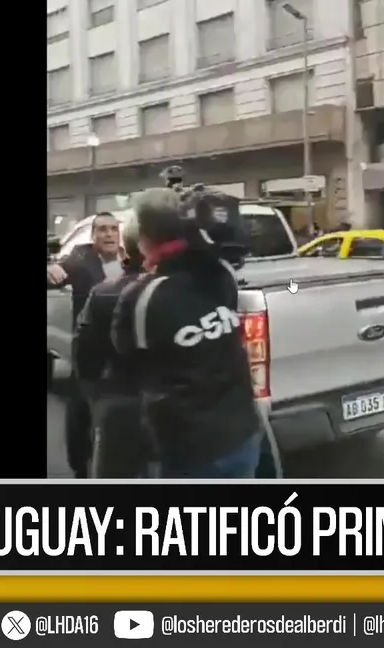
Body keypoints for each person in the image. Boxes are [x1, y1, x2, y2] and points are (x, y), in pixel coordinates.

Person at [112, 188, 262, 478]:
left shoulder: (142, 297)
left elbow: (126, 361)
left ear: (143, 238)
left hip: (187, 449)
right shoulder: (221, 273)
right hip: (243, 433)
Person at [47, 212, 123, 479]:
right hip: (90, 349)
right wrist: (49, 267)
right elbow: (56, 273)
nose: (109, 234)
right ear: (93, 236)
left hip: (124, 351)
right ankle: (80, 468)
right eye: (102, 229)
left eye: (113, 229)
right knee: (81, 409)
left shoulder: (131, 259)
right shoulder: (80, 261)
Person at [73, 221, 152, 478]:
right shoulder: (179, 289)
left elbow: (84, 356)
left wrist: (97, 398)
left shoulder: (103, 293)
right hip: (171, 407)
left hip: (118, 404)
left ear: (125, 247)